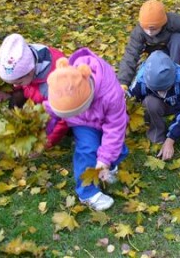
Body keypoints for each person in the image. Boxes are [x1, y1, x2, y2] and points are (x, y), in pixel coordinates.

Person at [45, 48, 129, 211]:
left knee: (116, 149)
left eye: (77, 110)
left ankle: (106, 167)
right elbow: (50, 112)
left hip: (106, 120)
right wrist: (43, 134)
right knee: (87, 149)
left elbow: (115, 129)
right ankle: (87, 192)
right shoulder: (62, 84)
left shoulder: (111, 94)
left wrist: (104, 160)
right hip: (81, 123)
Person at [127, 50, 180, 161]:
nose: (162, 92)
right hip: (160, 104)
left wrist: (171, 139)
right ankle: (157, 132)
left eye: (165, 88)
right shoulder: (141, 78)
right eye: (158, 90)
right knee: (149, 103)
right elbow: (129, 100)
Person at [0, 33, 68, 149]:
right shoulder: (25, 58)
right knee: (17, 97)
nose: (15, 85)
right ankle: (19, 126)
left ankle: (55, 132)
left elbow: (65, 115)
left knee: (69, 126)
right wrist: (8, 93)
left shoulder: (56, 80)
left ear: (31, 71)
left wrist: (49, 140)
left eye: (19, 82)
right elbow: (19, 82)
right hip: (39, 96)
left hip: (63, 106)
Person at [118, 0, 180, 89]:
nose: (149, 32)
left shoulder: (177, 22)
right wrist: (123, 82)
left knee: (178, 39)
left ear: (163, 23)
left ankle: (175, 70)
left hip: (172, 49)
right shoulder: (138, 32)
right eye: (146, 28)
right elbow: (131, 55)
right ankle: (156, 73)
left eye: (154, 29)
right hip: (154, 54)